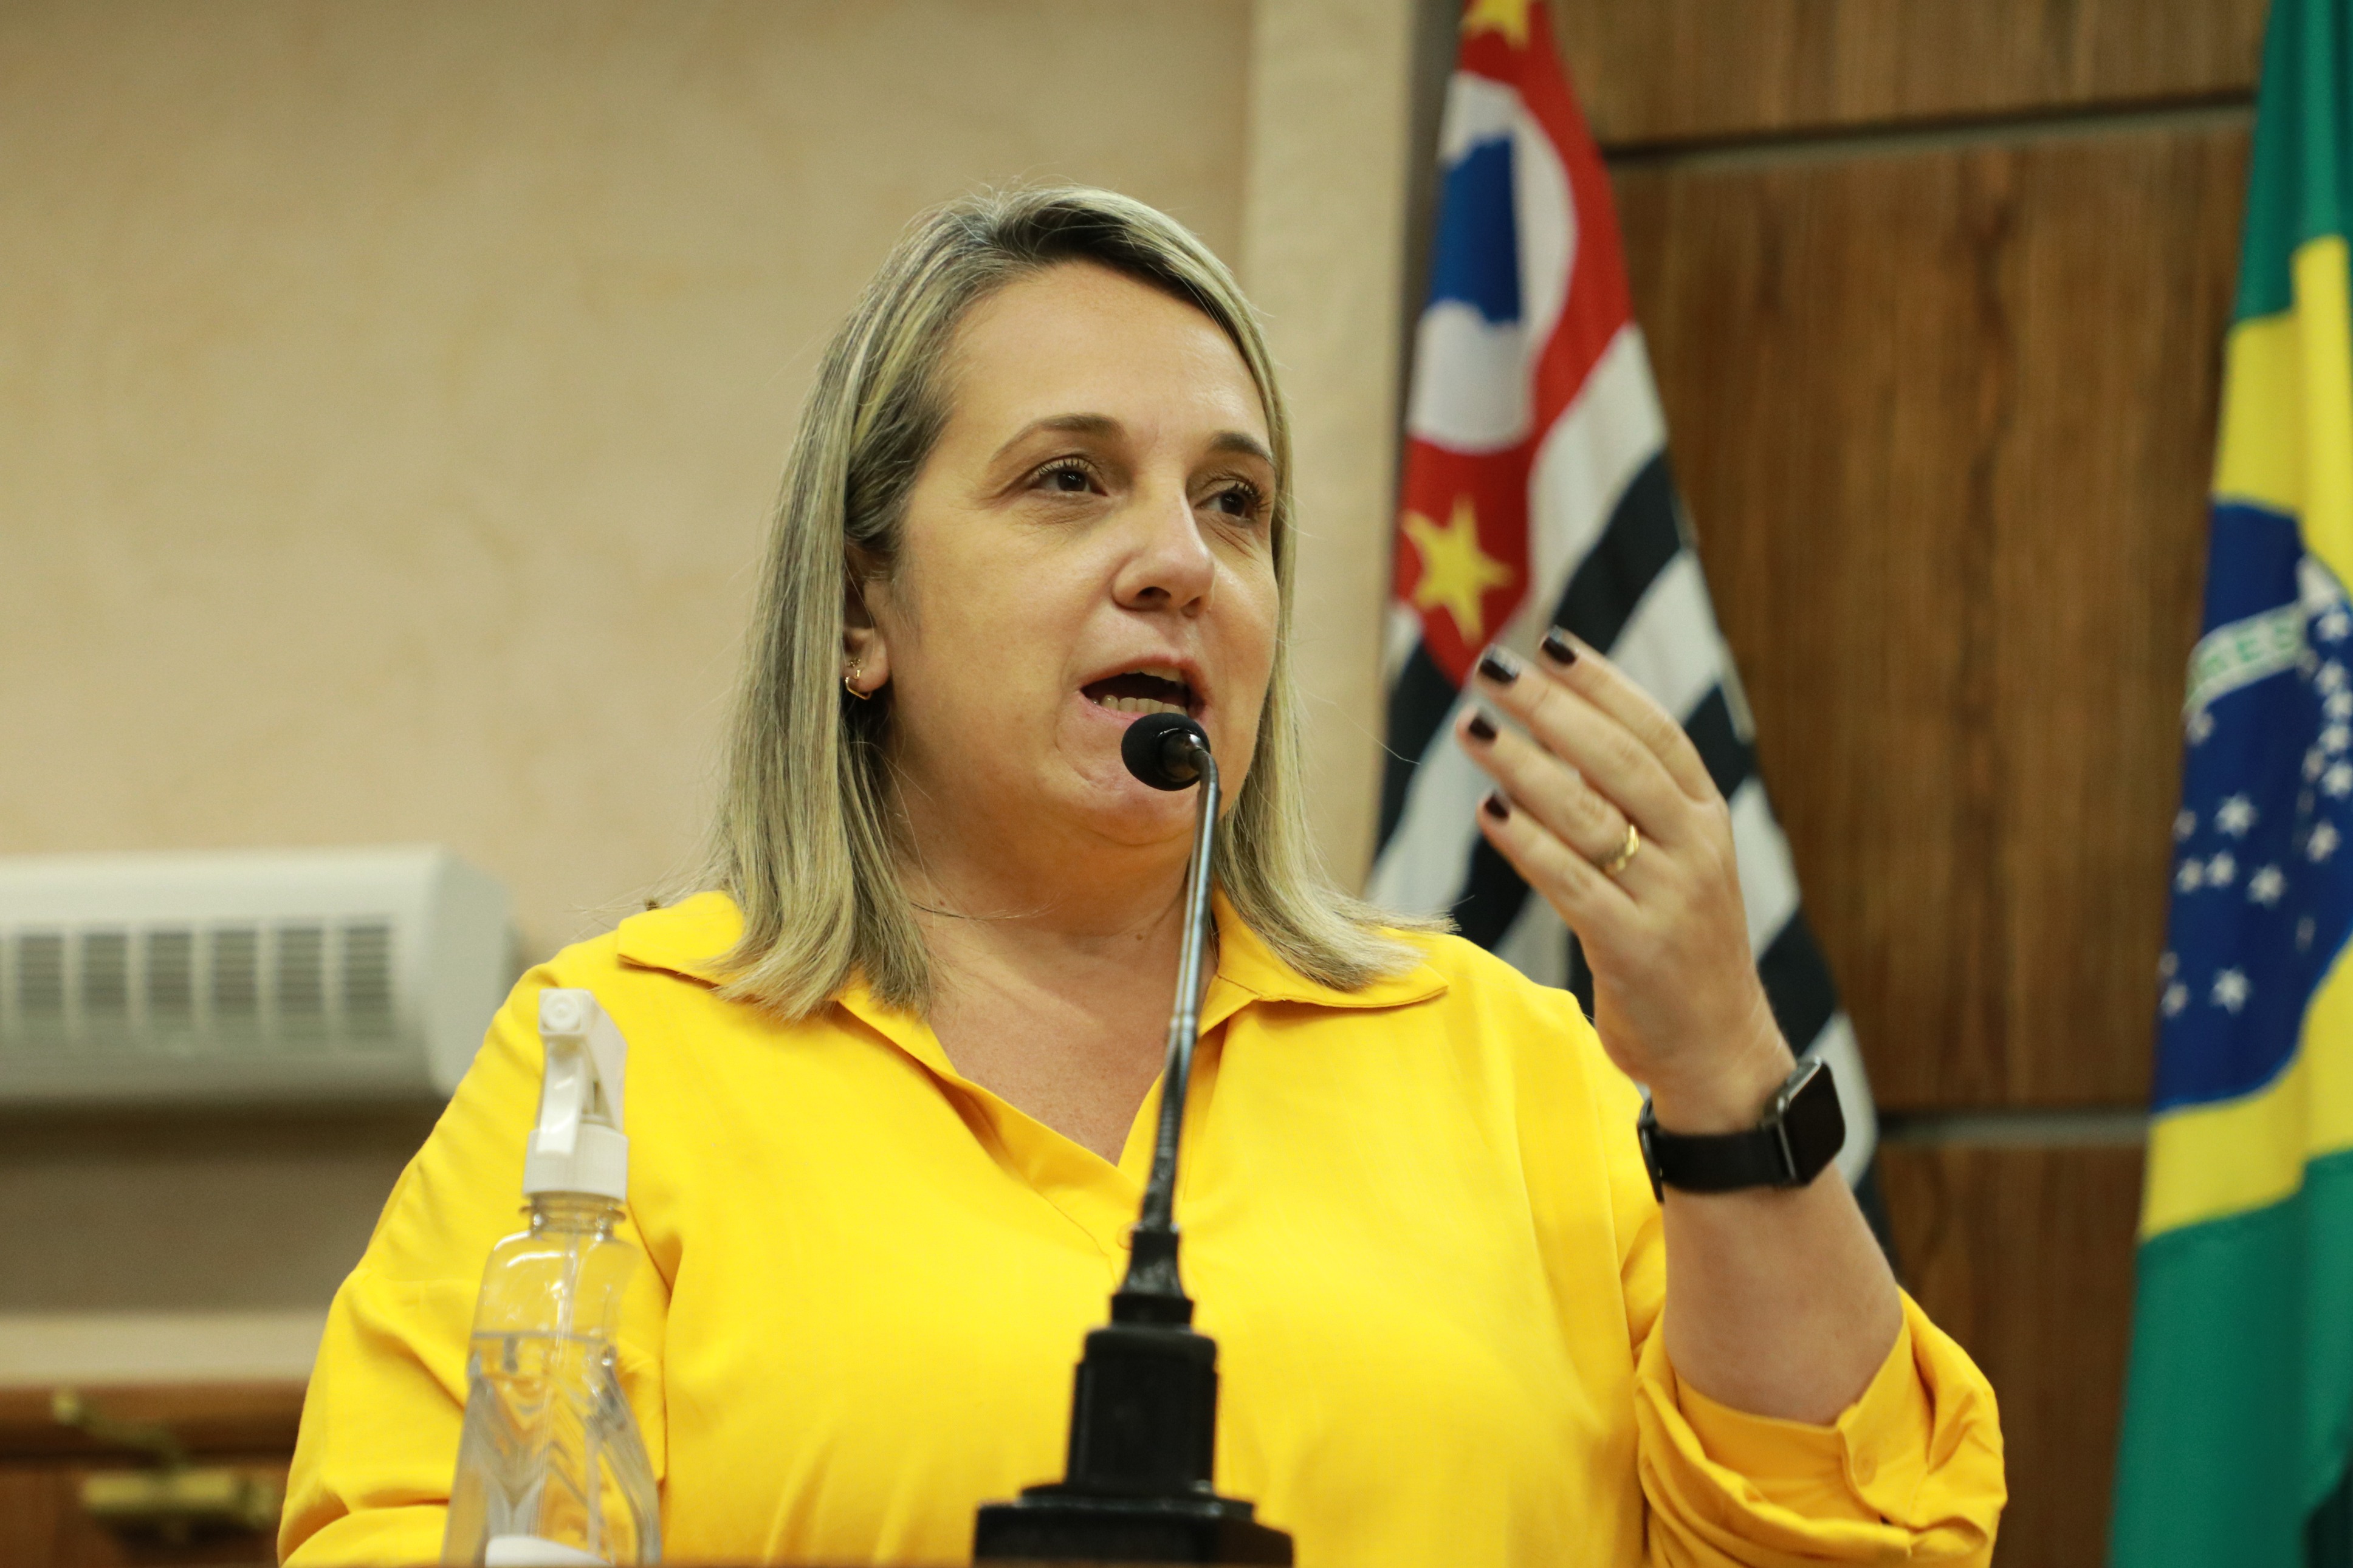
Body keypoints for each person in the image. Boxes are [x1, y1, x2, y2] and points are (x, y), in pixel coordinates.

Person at [280, 187, 2004, 1567]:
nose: (1180, 561)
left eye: (1235, 503)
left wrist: (1719, 1064)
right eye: (1069, 482)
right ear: (864, 609)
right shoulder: (622, 1058)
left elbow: (1853, 1545)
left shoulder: (1511, 1068)